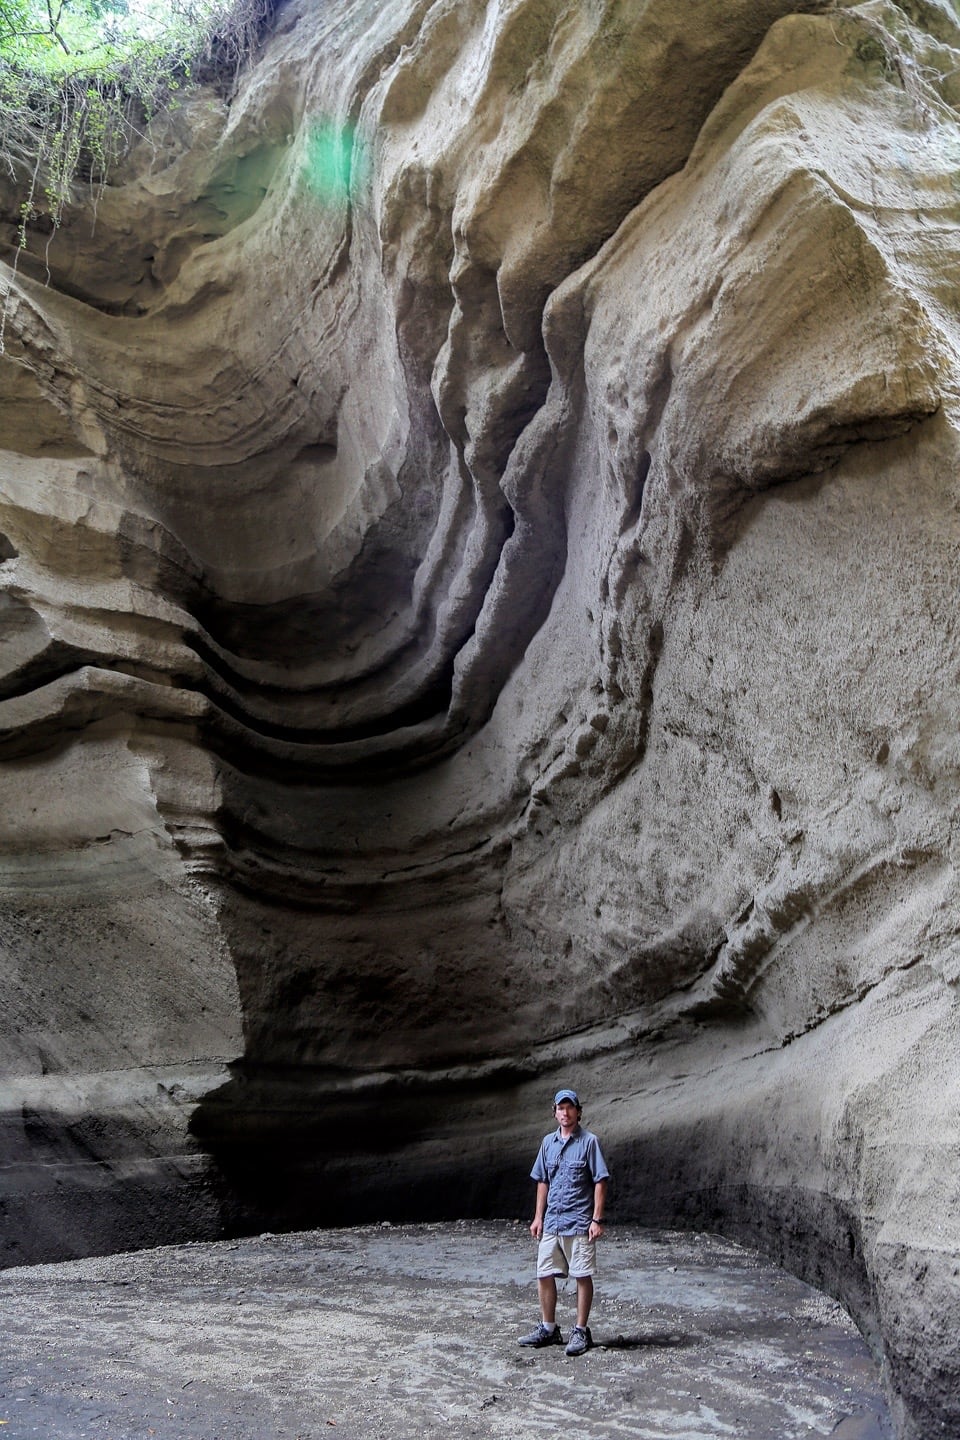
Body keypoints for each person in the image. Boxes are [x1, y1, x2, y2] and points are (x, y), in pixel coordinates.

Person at [518, 1087, 610, 1356]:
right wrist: (538, 1217)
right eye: (561, 1108)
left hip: (579, 1220)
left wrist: (597, 1219)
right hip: (552, 1222)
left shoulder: (589, 1142)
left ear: (578, 1112)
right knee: (544, 1273)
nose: (565, 1112)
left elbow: (600, 1181)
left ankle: (581, 1331)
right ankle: (549, 1328)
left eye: (570, 1107)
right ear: (555, 1112)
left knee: (582, 1274)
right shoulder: (548, 1143)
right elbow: (542, 1181)